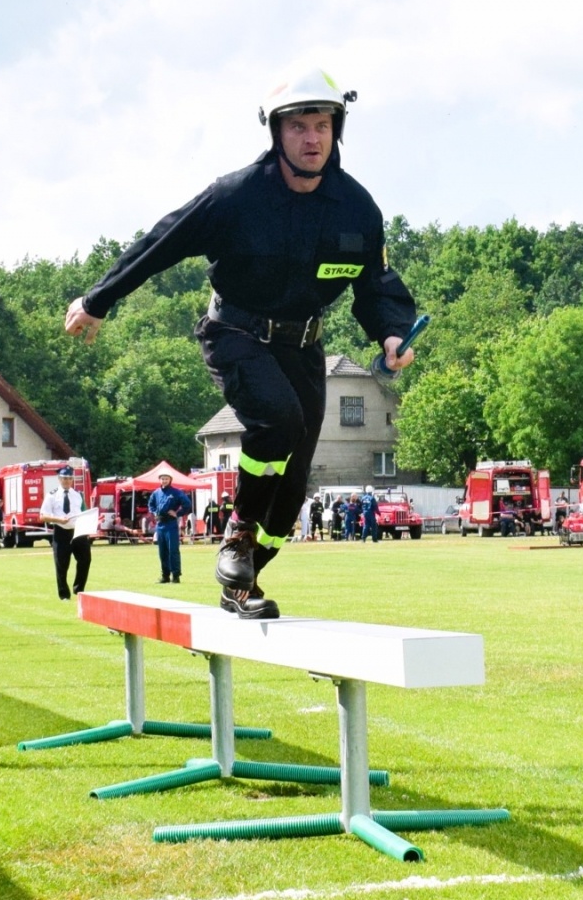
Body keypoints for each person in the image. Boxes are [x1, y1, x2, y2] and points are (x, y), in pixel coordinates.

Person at [64, 63, 417, 619]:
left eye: (322, 125)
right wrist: (98, 299)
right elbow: (162, 242)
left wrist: (393, 332)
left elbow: (376, 286)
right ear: (275, 131)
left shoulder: (357, 209)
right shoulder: (236, 197)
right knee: (277, 420)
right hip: (233, 332)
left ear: (337, 131)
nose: (312, 138)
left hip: (304, 348)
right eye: (298, 126)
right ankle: (235, 533)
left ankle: (243, 578)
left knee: (291, 497)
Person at [45, 466, 92, 598]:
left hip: (78, 531)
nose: (67, 481)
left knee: (85, 560)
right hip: (61, 532)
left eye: (69, 478)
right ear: (59, 479)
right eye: (64, 478)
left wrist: (92, 520)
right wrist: (58, 519)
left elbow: (84, 512)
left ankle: (79, 589)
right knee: (62, 564)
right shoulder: (52, 495)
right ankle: (64, 594)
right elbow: (43, 515)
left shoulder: (78, 495)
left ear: (72, 480)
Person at [148, 472, 193, 584]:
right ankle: (165, 576)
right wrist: (154, 513)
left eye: (166, 479)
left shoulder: (176, 492)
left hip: (171, 524)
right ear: (159, 480)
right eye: (162, 479)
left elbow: (187, 504)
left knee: (173, 551)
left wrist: (178, 513)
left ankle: (176, 576)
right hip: (160, 525)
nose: (164, 481)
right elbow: (151, 505)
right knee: (162, 552)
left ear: (170, 479)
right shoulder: (156, 493)